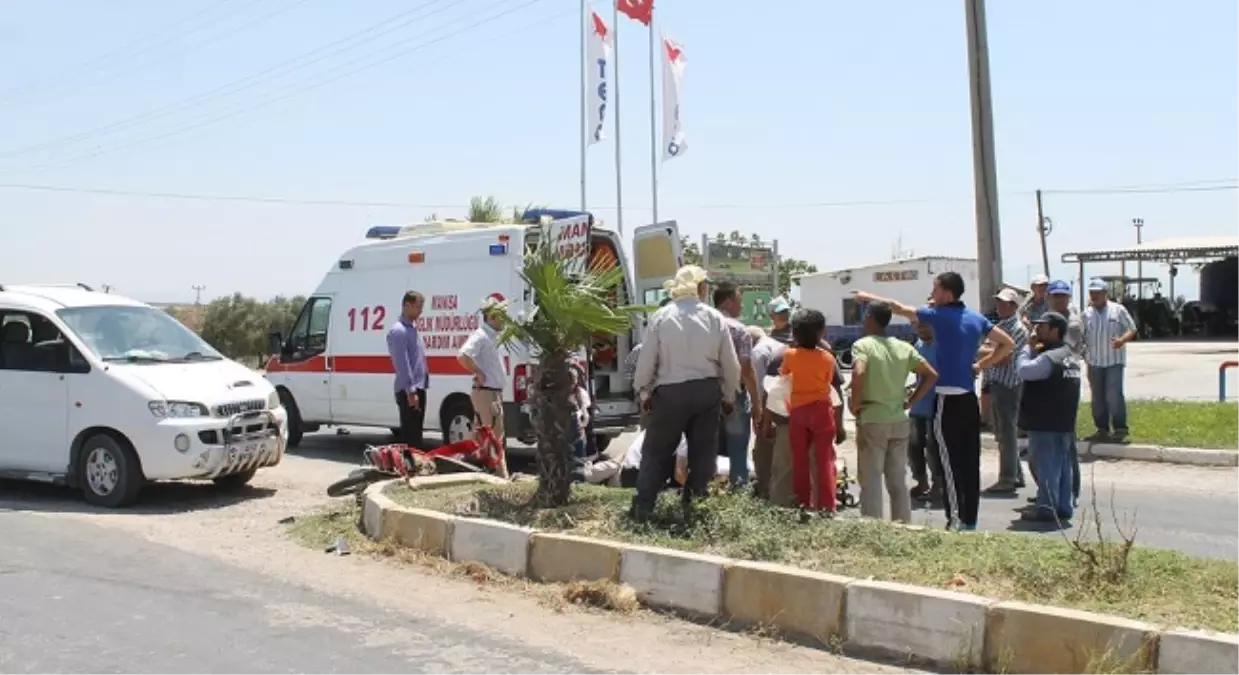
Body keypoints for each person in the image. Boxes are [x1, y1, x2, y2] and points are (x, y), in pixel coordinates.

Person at [855, 271, 1015, 531]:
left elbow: (898, 308)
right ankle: (970, 521)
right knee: (969, 461)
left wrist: (867, 297)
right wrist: (981, 365)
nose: (933, 294)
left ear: (947, 293)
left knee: (949, 463)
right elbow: (1007, 344)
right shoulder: (976, 318)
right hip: (968, 400)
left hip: (946, 400)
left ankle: (955, 522)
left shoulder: (938, 316)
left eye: (936, 289)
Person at [630, 265, 741, 520]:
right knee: (703, 453)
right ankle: (695, 507)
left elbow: (646, 360)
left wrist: (644, 392)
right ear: (700, 288)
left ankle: (644, 506)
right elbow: (730, 363)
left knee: (656, 451)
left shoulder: (661, 317)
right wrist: (728, 396)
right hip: (706, 391)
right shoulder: (715, 317)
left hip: (669, 393)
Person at [849, 301, 937, 522]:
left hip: (872, 418)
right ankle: (903, 525)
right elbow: (931, 375)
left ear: (869, 317)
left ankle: (873, 526)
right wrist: (912, 401)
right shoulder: (904, 346)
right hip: (898, 419)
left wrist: (855, 403)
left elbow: (859, 372)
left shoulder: (863, 345)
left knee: (871, 479)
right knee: (897, 479)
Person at [1017, 312, 1082, 524]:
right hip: (1063, 422)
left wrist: (1026, 349)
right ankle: (1063, 506)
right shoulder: (1070, 356)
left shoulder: (1049, 358)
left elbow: (1024, 371)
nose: (1037, 331)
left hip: (1045, 421)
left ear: (1055, 330)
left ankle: (1046, 507)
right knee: (1062, 466)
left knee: (1045, 465)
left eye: (1042, 327)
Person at [779, 309, 838, 513]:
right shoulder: (828, 358)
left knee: (800, 460)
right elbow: (828, 382)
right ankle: (827, 505)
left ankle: (803, 503)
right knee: (824, 460)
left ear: (794, 333)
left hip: (798, 411)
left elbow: (783, 376)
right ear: (821, 332)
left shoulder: (789, 355)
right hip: (822, 410)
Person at [713, 281, 763, 486]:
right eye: (739, 301)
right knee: (738, 450)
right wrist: (757, 403)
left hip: (707, 395)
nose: (741, 306)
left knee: (706, 449)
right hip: (735, 395)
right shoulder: (739, 330)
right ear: (727, 302)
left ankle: (707, 493)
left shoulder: (705, 326)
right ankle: (738, 495)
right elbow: (747, 370)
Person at [982, 288, 1029, 494]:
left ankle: (1007, 478)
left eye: (1004, 303)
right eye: (999, 302)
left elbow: (1004, 358)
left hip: (1008, 384)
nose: (999, 306)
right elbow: (989, 350)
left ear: (1014, 306)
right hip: (996, 383)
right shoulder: (1000, 326)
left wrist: (990, 351)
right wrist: (992, 351)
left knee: (1007, 433)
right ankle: (1016, 474)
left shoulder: (1017, 329)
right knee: (1002, 433)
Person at [1081, 278, 1137, 442]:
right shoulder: (1086, 314)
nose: (1094, 296)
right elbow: (1082, 336)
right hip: (1094, 362)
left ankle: (1120, 429)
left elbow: (1132, 329)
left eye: (1098, 293)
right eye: (1092, 293)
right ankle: (1101, 429)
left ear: (1105, 293)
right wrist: (1084, 353)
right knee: (1097, 397)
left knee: (1114, 396)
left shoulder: (1118, 310)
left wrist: (1122, 340)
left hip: (1114, 361)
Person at [457, 295, 509, 469]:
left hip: (492, 393)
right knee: (494, 437)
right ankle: (500, 477)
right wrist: (478, 372)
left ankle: (474, 469)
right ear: (491, 316)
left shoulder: (493, 336)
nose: (506, 319)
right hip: (487, 393)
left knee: (484, 438)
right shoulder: (481, 336)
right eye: (503, 314)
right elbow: (463, 355)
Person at [1045, 280, 1083, 504]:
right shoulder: (1047, 318)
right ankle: (1052, 490)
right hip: (1049, 379)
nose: (1059, 299)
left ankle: (1071, 491)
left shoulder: (1073, 323)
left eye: (1063, 296)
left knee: (1066, 438)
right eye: (1055, 295)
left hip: (1066, 380)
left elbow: (1058, 348)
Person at [908, 314, 944, 502]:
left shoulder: (942, 346)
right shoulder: (918, 346)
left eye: (925, 326)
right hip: (918, 405)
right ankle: (921, 482)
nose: (921, 330)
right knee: (913, 445)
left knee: (933, 446)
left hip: (936, 404)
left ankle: (938, 484)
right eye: (918, 326)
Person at [748, 325, 787, 499]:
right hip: (787, 410)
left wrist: (759, 415)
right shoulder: (778, 346)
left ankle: (766, 493)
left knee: (764, 454)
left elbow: (761, 388)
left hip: (770, 410)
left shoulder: (757, 352)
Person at [387, 291, 429, 448]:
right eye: (418, 306)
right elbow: (402, 364)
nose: (421, 311)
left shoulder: (412, 329)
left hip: (418, 388)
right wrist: (411, 391)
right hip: (409, 391)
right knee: (411, 438)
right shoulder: (399, 331)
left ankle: (415, 468)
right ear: (406, 305)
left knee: (416, 436)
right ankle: (410, 468)